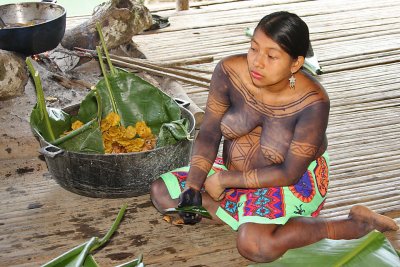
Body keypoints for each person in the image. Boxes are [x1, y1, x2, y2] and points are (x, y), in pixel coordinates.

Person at [150, 11, 399, 263]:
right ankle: (247, 211)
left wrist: (224, 180)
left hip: (292, 181)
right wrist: (193, 185)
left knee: (254, 245)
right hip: (231, 172)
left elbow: (290, 171)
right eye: (253, 48)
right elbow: (210, 132)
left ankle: (354, 224)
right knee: (163, 192)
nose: (257, 62)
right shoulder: (228, 72)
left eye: (271, 56)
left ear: (295, 63)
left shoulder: (313, 102)